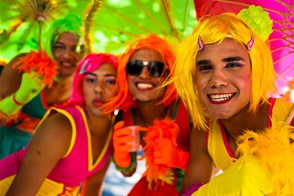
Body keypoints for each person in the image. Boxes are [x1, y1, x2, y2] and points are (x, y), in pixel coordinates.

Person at [172, 6, 294, 195]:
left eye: (232, 65)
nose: (217, 81)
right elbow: (189, 191)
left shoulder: (289, 120)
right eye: (205, 67)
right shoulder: (205, 133)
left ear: (256, 69)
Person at [0, 53, 118, 195]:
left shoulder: (113, 129)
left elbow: (94, 185)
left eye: (110, 81)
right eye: (91, 80)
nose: (98, 88)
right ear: (81, 85)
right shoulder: (61, 126)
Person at [103, 34, 191, 195]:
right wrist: (121, 158)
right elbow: (128, 171)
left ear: (169, 75)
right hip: (153, 184)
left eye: (155, 69)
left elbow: (213, 166)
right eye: (135, 67)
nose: (144, 75)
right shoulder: (127, 114)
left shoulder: (188, 108)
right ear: (125, 74)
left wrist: (180, 158)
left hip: (194, 187)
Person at [0, 15, 85, 159]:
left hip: (42, 159)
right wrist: (20, 96)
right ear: (49, 45)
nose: (67, 55)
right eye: (59, 47)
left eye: (75, 48)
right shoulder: (23, 65)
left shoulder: (87, 83)